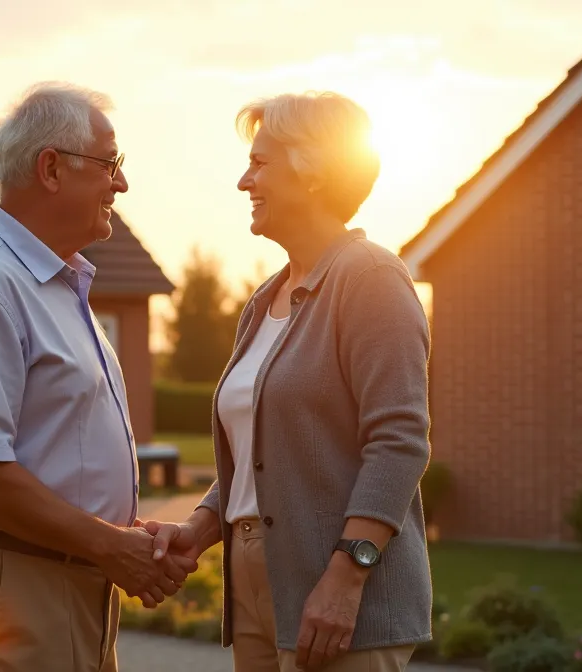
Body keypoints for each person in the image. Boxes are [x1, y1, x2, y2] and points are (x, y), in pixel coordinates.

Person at [0, 82, 196, 672]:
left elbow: (57, 447)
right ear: (51, 169)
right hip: (12, 586)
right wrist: (110, 544)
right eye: (110, 163)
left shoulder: (52, 286)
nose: (121, 183)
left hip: (58, 578)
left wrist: (121, 536)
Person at [144, 91, 434, 671]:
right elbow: (261, 455)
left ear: (312, 172)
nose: (243, 181)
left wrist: (346, 577)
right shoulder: (264, 300)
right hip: (259, 580)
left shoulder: (370, 277)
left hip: (339, 587)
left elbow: (400, 442)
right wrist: (198, 530)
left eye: (260, 163)